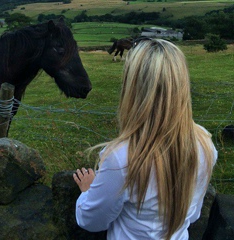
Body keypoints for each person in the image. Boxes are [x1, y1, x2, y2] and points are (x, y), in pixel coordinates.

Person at [73, 38, 218, 240]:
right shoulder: (204, 143)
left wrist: (87, 191)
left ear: (132, 88)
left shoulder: (121, 159)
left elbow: (91, 221)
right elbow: (192, 215)